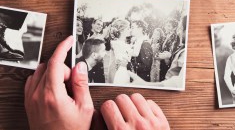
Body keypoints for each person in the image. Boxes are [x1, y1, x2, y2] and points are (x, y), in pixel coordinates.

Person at [24, 36, 170, 130]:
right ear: (94, 54)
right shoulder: (87, 67)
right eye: (103, 51)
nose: (106, 54)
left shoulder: (97, 69)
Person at [129, 16, 187, 89]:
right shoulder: (171, 40)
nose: (178, 32)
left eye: (180, 28)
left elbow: (178, 81)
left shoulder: (145, 43)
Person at [108, 19, 133, 84]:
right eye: (128, 28)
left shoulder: (124, 44)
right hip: (120, 72)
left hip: (125, 70)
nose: (130, 30)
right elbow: (118, 60)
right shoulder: (116, 43)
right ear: (122, 30)